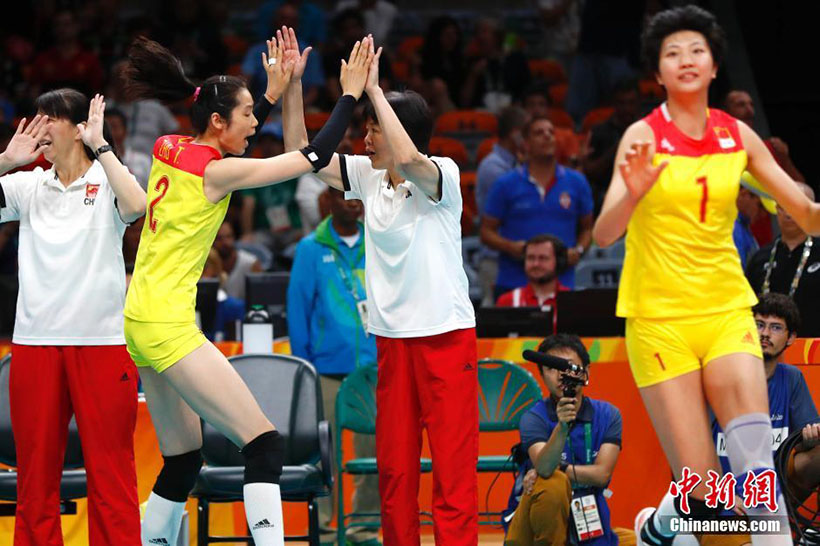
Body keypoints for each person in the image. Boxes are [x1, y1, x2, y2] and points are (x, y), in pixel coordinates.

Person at [120, 30, 373, 546]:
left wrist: (272, 96)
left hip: (138, 322)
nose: (256, 125)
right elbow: (315, 156)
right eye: (249, 117)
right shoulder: (220, 174)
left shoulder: (169, 146)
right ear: (218, 121)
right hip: (169, 327)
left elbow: (224, 136)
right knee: (264, 445)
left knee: (184, 459)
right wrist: (350, 92)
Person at [591, 7, 820, 546]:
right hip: (659, 320)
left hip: (724, 311)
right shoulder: (641, 137)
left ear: (715, 64)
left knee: (755, 459)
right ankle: (664, 524)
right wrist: (636, 188)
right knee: (703, 492)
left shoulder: (737, 135)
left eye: (696, 50)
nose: (686, 60)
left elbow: (804, 212)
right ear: (659, 72)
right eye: (673, 53)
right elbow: (603, 234)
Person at [291, 37, 478, 546]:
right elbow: (302, 155)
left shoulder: (443, 177)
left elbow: (413, 159)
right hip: (392, 344)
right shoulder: (367, 179)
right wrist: (291, 88)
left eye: (372, 129)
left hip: (446, 339)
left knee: (452, 474)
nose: (364, 140)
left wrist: (372, 90)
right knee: (395, 473)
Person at [0, 90, 146, 545]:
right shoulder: (27, 185)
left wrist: (102, 148)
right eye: (37, 119)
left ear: (79, 128)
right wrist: (6, 162)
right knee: (35, 481)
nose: (40, 129)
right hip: (34, 346)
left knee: (111, 477)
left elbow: (139, 206)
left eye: (51, 120)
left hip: (102, 346)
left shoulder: (109, 181)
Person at [287, 187, 380, 545]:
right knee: (325, 454)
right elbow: (298, 310)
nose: (353, 203)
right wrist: (305, 365)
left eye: (358, 197)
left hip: (370, 369)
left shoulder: (376, 242)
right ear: (329, 202)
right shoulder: (311, 248)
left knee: (370, 454)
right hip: (325, 367)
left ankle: (364, 527)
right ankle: (326, 527)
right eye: (344, 197)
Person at [505, 334, 622, 546]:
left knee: (633, 539)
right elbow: (545, 468)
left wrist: (559, 467)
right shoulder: (533, 417)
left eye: (569, 366)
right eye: (551, 368)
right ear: (542, 375)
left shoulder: (608, 414)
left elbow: (603, 475)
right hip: (535, 523)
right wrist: (561, 427)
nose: (561, 375)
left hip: (588, 514)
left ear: (586, 371)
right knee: (553, 484)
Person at [711, 293, 819, 503]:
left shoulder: (791, 378)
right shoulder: (719, 375)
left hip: (773, 494)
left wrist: (810, 439)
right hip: (724, 499)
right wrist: (721, 495)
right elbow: (691, 451)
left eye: (776, 327)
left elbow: (807, 443)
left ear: (791, 338)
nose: (765, 333)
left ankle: (798, 526)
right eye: (759, 324)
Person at [481, 116, 594, 294]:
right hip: (513, 283)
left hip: (562, 284)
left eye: (551, 132)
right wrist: (510, 247)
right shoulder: (505, 184)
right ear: (526, 144)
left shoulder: (577, 182)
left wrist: (578, 250)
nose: (547, 136)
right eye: (539, 133)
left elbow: (588, 228)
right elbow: (486, 232)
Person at [745, 182, 820, 337]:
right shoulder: (761, 257)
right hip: (765, 348)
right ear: (776, 209)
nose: (788, 213)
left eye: (795, 206)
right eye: (783, 205)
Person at [476, 106, 528, 306]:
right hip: (495, 260)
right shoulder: (493, 166)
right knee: (497, 319)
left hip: (516, 257)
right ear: (515, 135)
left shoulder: (517, 163)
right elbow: (513, 209)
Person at [723, 90, 805, 183]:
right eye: (741, 105)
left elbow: (801, 185)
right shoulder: (720, 151)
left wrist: (784, 158)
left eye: (751, 104)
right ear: (726, 112)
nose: (749, 110)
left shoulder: (769, 147)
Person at [496, 234, 569, 315]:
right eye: (530, 258)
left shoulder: (573, 302)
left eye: (543, 258)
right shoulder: (508, 301)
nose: (535, 264)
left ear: (559, 262)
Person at [212, 220, 263, 301]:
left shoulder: (251, 263)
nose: (225, 242)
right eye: (219, 238)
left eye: (228, 236)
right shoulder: (207, 264)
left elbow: (261, 297)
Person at [104, 106, 153, 188]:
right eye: (106, 129)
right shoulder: (94, 163)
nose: (111, 133)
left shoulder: (143, 161)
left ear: (125, 130)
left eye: (114, 127)